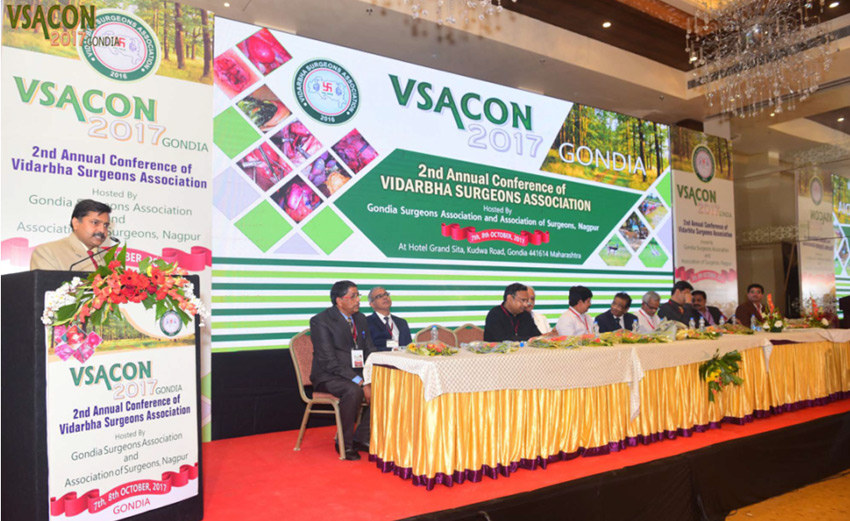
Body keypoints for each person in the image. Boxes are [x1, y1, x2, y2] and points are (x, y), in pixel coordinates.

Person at [309, 280, 375, 461]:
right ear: (339, 300)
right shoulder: (320, 321)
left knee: (386, 386)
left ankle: (362, 437)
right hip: (329, 376)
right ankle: (344, 443)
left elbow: (369, 349)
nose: (358, 300)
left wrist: (371, 376)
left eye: (358, 295)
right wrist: (361, 382)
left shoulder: (360, 319)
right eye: (353, 296)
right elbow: (329, 362)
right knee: (353, 391)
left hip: (357, 373)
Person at [30, 199, 114, 271]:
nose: (102, 230)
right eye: (95, 223)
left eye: (106, 225)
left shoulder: (108, 257)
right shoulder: (48, 252)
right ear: (76, 223)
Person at [366, 286, 412, 351]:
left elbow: (409, 346)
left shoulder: (402, 322)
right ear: (372, 304)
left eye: (386, 294)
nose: (385, 297)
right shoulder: (366, 322)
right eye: (379, 296)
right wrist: (392, 350)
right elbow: (368, 348)